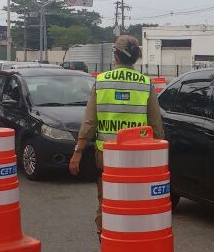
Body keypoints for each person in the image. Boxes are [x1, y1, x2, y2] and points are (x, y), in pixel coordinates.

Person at [69, 35, 164, 231]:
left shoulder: (102, 81)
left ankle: (108, 243)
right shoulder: (146, 83)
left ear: (117, 57)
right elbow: (156, 126)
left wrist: (78, 152)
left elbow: (89, 121)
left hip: (107, 155)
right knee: (137, 200)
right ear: (135, 58)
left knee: (108, 202)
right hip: (139, 157)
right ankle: (134, 241)